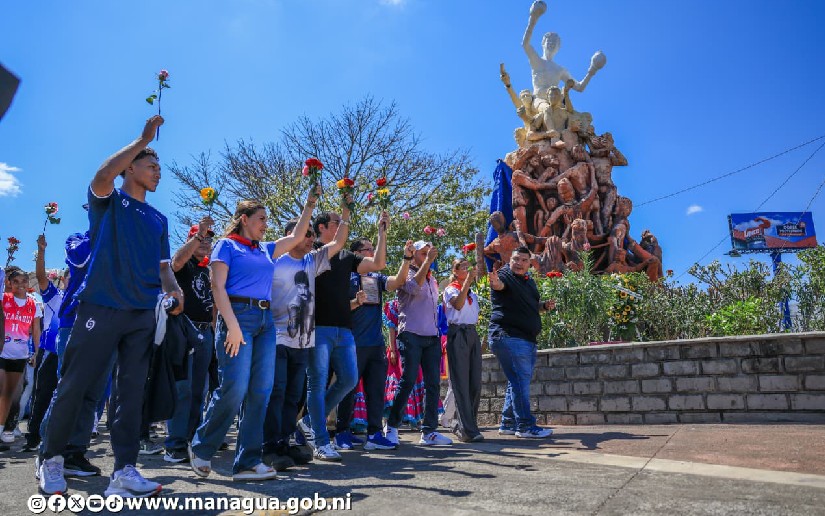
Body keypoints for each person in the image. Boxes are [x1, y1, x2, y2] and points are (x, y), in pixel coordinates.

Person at [39, 115, 183, 497]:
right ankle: (51, 459)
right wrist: (142, 139)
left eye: (159, 168)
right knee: (75, 384)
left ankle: (124, 470)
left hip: (141, 314)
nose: (157, 173)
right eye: (151, 166)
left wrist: (174, 291)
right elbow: (102, 175)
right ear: (130, 168)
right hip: (100, 306)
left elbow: (164, 269)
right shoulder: (109, 201)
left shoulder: (159, 218)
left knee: (130, 393)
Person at [190, 190, 316, 481]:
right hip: (238, 318)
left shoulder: (264, 249)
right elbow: (217, 288)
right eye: (261, 219)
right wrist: (232, 326)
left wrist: (309, 205)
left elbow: (296, 237)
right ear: (244, 220)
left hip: (265, 321)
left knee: (260, 392)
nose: (265, 224)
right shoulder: (226, 246)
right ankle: (202, 446)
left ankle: (247, 462)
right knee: (234, 387)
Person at [262, 189, 348, 471]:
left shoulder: (312, 261)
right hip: (276, 338)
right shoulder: (274, 260)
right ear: (291, 237)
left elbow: (338, 242)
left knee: (292, 397)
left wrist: (346, 211)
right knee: (276, 393)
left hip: (303, 342)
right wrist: (310, 205)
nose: (311, 238)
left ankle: (284, 443)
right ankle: (268, 447)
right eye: (305, 234)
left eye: (312, 235)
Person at [302, 209, 387, 462]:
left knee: (349, 379)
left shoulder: (347, 256)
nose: (341, 227)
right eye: (337, 223)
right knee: (316, 384)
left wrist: (382, 232)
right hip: (318, 327)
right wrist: (346, 207)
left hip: (344, 329)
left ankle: (309, 422)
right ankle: (320, 441)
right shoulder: (312, 252)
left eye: (342, 223)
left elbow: (378, 264)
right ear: (321, 228)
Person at [335, 237, 414, 452]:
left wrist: (407, 259)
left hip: (375, 344)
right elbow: (338, 309)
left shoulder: (376, 278)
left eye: (373, 248)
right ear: (355, 254)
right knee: (348, 389)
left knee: (376, 390)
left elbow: (397, 282)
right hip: (352, 342)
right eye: (366, 249)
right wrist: (355, 302)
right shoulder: (344, 277)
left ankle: (374, 434)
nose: (372, 252)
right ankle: (341, 432)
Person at [385, 241, 453, 447]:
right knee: (407, 381)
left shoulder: (432, 279)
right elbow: (413, 288)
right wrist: (428, 262)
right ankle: (392, 426)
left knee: (432, 384)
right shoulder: (405, 273)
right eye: (423, 253)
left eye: (428, 253)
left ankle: (429, 431)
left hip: (431, 337)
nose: (427, 256)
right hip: (411, 335)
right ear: (414, 255)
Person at [162, 216, 216, 463]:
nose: (205, 242)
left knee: (199, 390)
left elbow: (214, 303)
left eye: (208, 238)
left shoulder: (210, 268)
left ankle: (191, 439)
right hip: (184, 330)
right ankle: (174, 444)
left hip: (206, 332)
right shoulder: (183, 265)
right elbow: (175, 262)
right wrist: (197, 235)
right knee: (182, 389)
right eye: (200, 237)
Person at [488, 246, 555, 439]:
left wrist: (543, 307)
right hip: (509, 336)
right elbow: (499, 286)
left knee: (515, 381)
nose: (519, 263)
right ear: (510, 259)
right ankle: (525, 426)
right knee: (519, 382)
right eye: (516, 259)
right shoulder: (505, 275)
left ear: (529, 263)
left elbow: (530, 306)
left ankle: (508, 423)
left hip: (523, 339)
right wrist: (494, 283)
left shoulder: (527, 281)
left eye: (524, 260)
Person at [22, 235, 64, 452]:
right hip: (51, 351)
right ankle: (33, 436)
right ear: (65, 279)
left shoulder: (85, 299)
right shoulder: (56, 296)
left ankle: (61, 438)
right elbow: (40, 276)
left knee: (67, 397)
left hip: (73, 354)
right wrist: (42, 251)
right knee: (42, 394)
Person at [443, 258, 483, 443]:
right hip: (458, 333)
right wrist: (467, 282)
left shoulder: (472, 293)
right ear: (456, 271)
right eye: (464, 268)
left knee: (475, 382)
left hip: (471, 333)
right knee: (460, 382)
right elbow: (457, 305)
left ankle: (467, 424)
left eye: (469, 267)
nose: (468, 271)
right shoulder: (451, 289)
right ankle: (467, 430)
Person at [1, 268, 41, 446]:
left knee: (14, 394)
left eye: (24, 281)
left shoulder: (33, 304)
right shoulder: (3, 300)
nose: (20, 285)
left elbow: (36, 330)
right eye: (15, 281)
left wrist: (36, 353)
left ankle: (7, 428)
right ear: (9, 283)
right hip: (2, 353)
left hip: (21, 355)